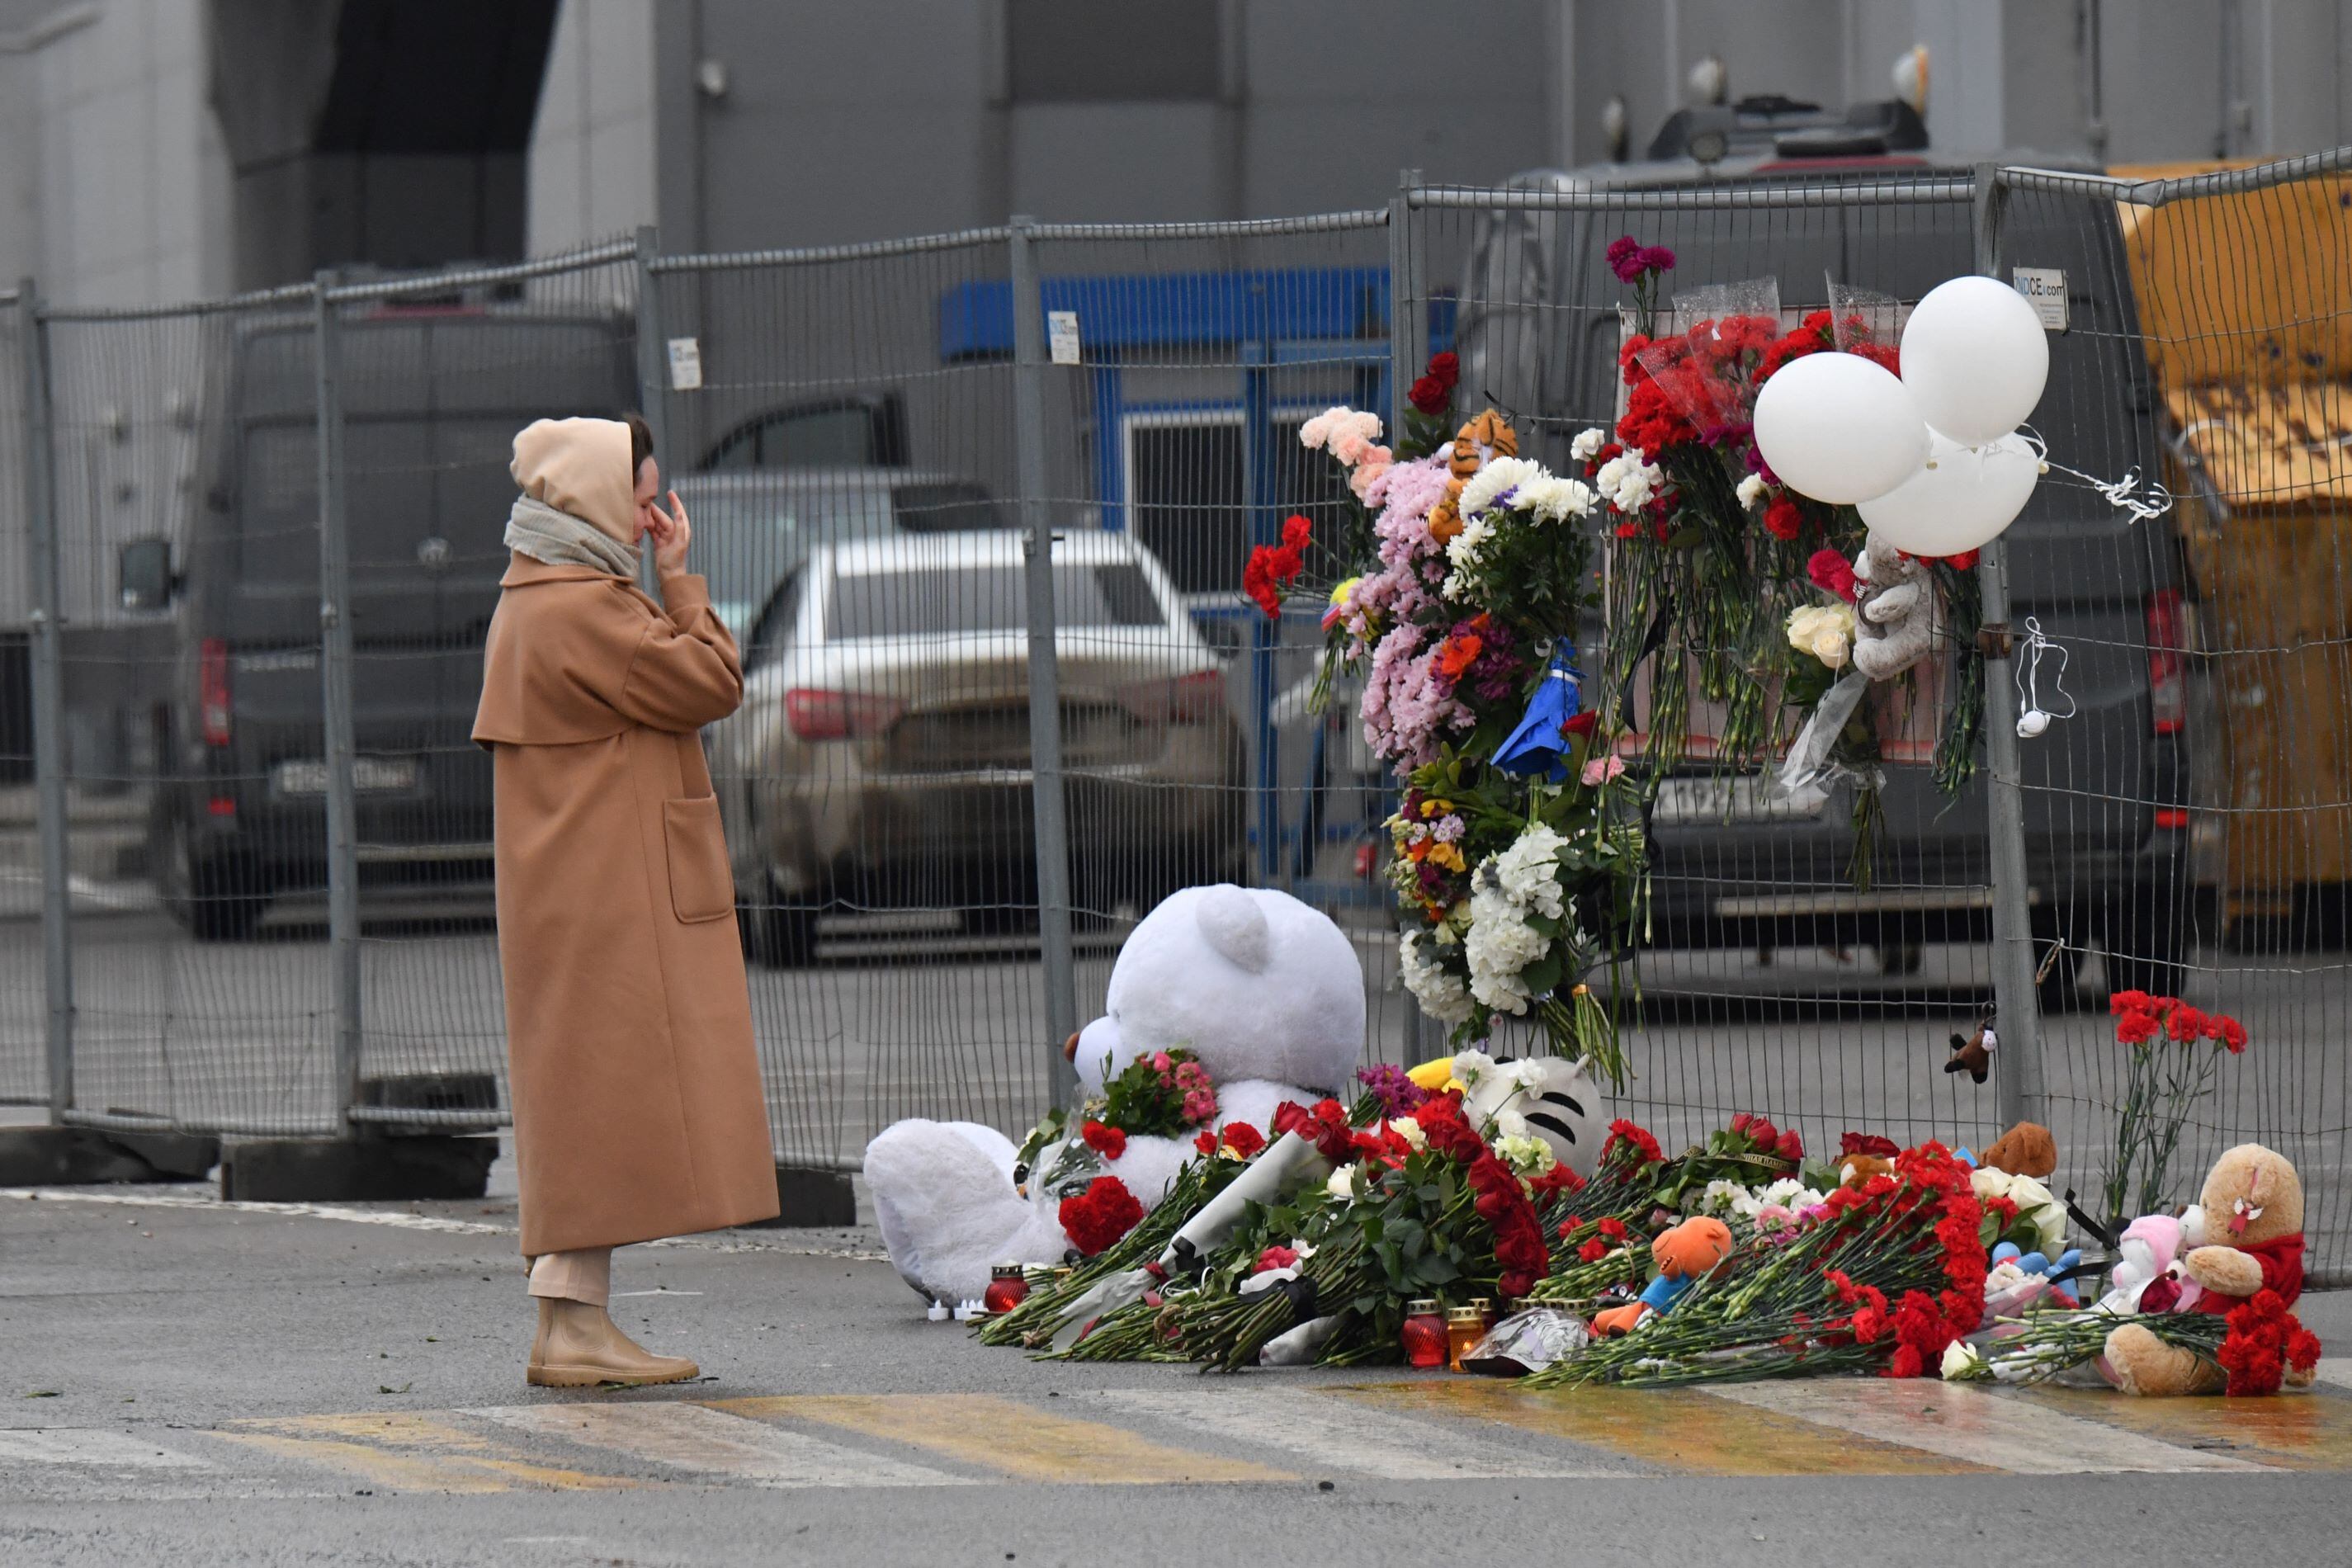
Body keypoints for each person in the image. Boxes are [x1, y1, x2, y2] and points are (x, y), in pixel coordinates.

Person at [473, 414, 780, 1386]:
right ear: (598, 498)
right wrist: (681, 578)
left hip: (588, 892)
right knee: (600, 1107)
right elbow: (713, 680)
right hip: (609, 896)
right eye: (644, 494)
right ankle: (571, 1329)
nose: (655, 513)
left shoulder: (553, 595)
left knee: (589, 1104)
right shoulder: (584, 609)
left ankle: (572, 1323)